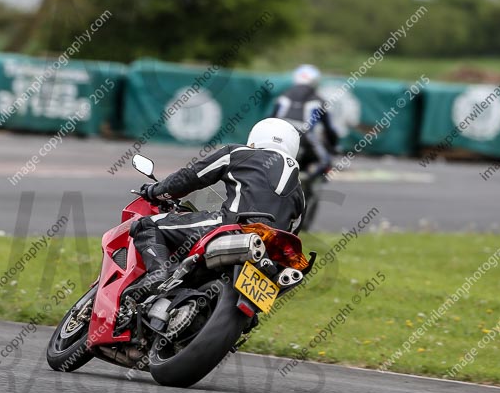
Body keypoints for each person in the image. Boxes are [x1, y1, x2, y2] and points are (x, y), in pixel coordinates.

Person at [126, 118, 305, 302]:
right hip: (268, 256)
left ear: (255, 139)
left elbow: (191, 177)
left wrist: (155, 191)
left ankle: (157, 275)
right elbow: (293, 231)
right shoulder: (300, 192)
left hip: (234, 228)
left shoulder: (239, 153)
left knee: (147, 225)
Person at [271, 64, 343, 174]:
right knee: (326, 162)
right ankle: (307, 184)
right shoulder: (319, 101)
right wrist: (333, 146)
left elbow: (269, 119)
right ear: (315, 81)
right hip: (305, 138)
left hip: (277, 137)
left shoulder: (282, 97)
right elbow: (329, 129)